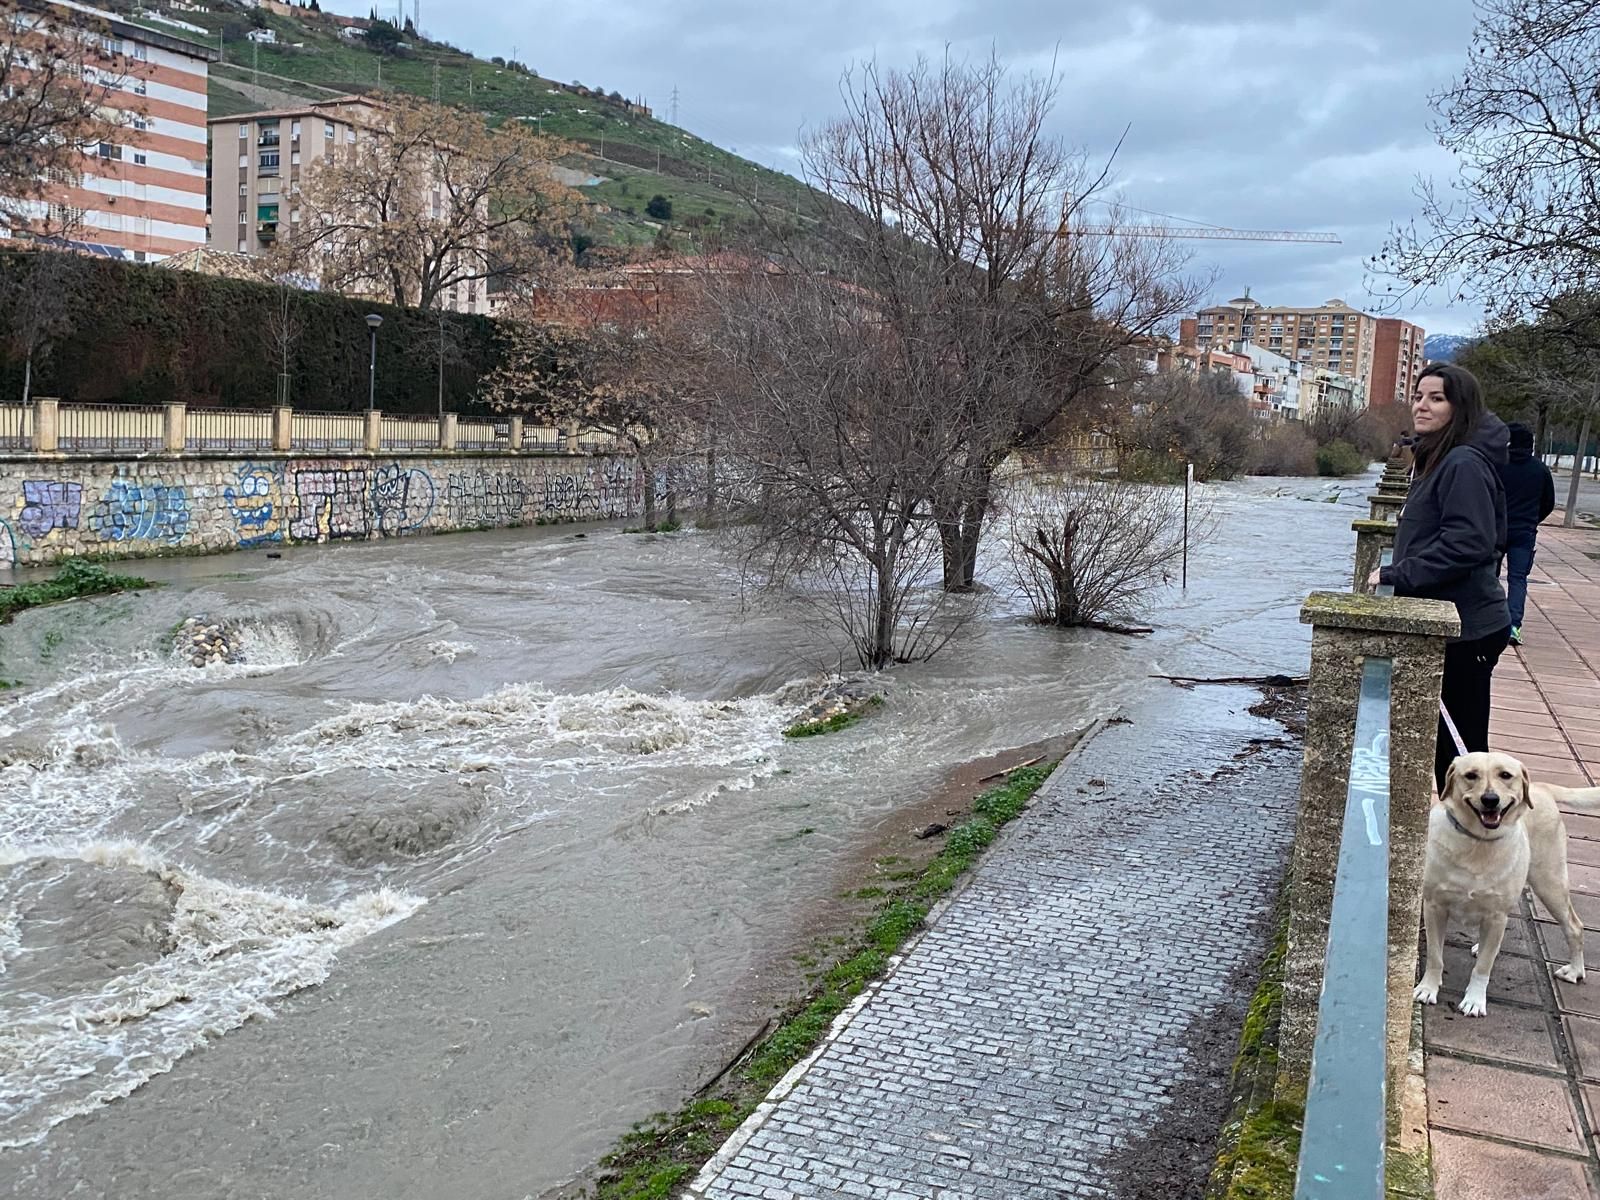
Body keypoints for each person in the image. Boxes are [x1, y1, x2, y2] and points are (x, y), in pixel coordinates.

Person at [1377, 363, 1512, 792]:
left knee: (1464, 757)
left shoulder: (1462, 462)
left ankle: (1483, 849)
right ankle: (1462, 845)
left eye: (1436, 398)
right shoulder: (1439, 457)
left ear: (1460, 407)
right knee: (1449, 752)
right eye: (1418, 396)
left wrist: (1399, 573)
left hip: (1467, 627)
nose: (1422, 405)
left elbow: (1470, 541)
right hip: (1456, 621)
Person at [1496, 421, 1556, 645]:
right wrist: (1532, 520)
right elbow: (1548, 503)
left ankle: (1488, 619)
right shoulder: (1540, 470)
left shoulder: (1498, 466)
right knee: (1518, 579)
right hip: (1524, 532)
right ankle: (1513, 625)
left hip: (1497, 531)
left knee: (1489, 576)